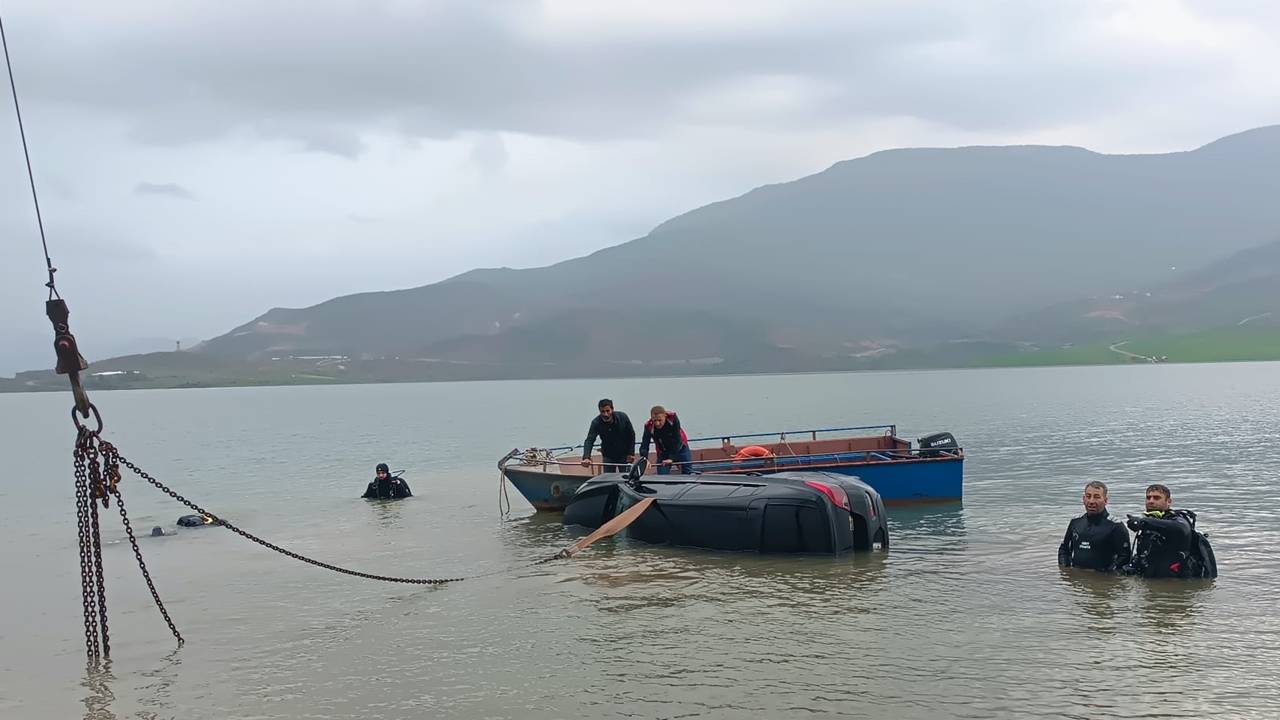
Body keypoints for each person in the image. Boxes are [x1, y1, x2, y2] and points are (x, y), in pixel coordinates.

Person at [1122, 483, 1196, 578]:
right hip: (1150, 580)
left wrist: (1145, 521)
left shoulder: (1178, 520)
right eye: (1148, 498)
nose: (1151, 501)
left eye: (1156, 498)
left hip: (1173, 583)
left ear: (1168, 501)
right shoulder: (1148, 524)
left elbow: (1182, 528)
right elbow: (1144, 553)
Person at [1058, 480, 1131, 572]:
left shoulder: (1116, 526)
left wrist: (1107, 574)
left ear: (1105, 500)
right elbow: (1064, 549)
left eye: (1097, 497)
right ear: (1084, 499)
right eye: (1088, 497)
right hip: (1077, 579)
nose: (1091, 501)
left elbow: (1125, 557)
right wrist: (1065, 571)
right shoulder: (1075, 522)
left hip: (1103, 579)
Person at [580, 398, 636, 473]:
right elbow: (589, 440)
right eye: (602, 411)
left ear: (612, 409)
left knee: (626, 478)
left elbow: (631, 435)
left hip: (624, 455)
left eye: (607, 411)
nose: (605, 414)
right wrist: (586, 457)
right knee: (608, 479)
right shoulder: (596, 423)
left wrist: (631, 453)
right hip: (608, 455)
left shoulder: (623, 417)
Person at [638, 405, 693, 475]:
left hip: (680, 447)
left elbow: (677, 439)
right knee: (662, 474)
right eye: (654, 420)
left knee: (688, 471)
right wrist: (645, 459)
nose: (657, 423)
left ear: (665, 416)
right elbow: (644, 445)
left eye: (660, 420)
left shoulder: (673, 420)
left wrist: (671, 458)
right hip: (663, 451)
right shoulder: (649, 426)